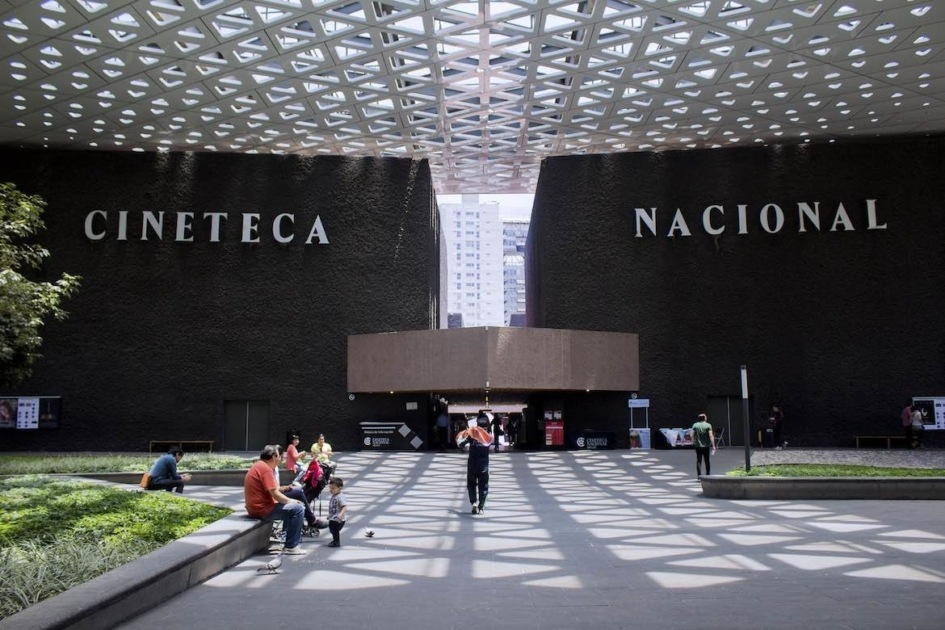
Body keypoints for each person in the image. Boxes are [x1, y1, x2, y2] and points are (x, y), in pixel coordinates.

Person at [244, 444, 307, 554]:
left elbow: (274, 489)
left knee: (291, 509)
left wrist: (287, 493)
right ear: (273, 456)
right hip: (262, 509)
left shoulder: (258, 465)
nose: (281, 459)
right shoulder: (266, 469)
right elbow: (275, 494)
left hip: (255, 507)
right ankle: (291, 546)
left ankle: (285, 542)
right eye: (280, 456)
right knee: (298, 508)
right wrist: (290, 501)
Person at [457, 413, 492, 514]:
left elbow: (461, 444)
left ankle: (474, 503)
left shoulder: (472, 435)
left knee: (471, 485)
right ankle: (481, 508)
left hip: (472, 465)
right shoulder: (488, 437)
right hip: (484, 466)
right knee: (484, 486)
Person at [312, 477, 347, 547]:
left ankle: (336, 542)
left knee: (334, 530)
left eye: (333, 488)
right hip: (333, 517)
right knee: (332, 530)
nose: (331, 490)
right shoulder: (334, 496)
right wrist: (330, 515)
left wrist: (341, 514)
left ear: (340, 488)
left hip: (338, 518)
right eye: (330, 488)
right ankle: (335, 540)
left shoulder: (340, 497)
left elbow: (344, 506)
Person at [691, 413, 716, 478]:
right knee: (707, 460)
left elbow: (692, 435)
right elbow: (710, 435)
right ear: (705, 418)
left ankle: (699, 475)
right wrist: (713, 445)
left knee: (699, 460)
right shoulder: (708, 425)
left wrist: (693, 442)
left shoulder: (695, 425)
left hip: (698, 446)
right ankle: (708, 474)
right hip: (706, 446)